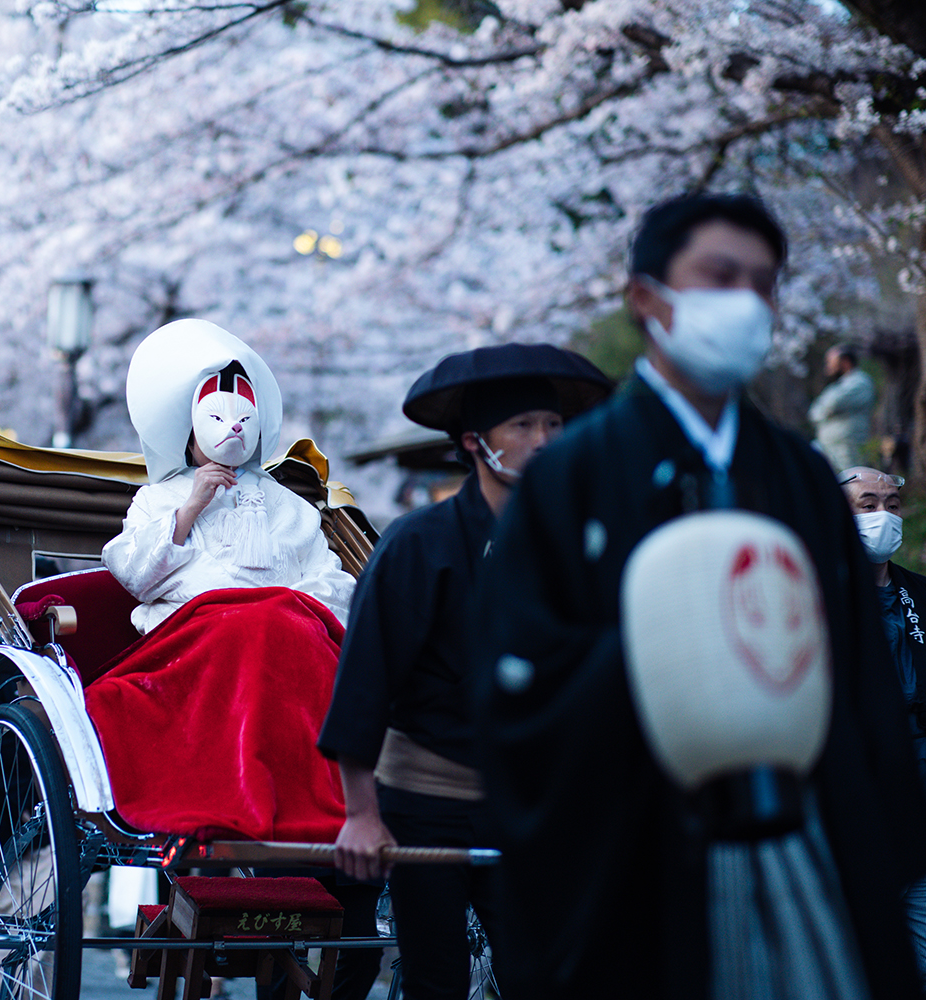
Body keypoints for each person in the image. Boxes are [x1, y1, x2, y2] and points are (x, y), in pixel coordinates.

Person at [472, 191, 926, 998]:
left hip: (799, 830)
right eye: (720, 276)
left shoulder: (798, 476)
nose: (746, 302)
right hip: (632, 838)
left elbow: (858, 678)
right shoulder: (573, 476)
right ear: (647, 297)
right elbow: (518, 677)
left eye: (763, 283)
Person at [319, 343, 611, 1000]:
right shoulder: (419, 543)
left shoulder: (579, 542)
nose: (544, 441)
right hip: (427, 798)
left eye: (554, 426)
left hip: (531, 799)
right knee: (437, 976)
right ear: (477, 442)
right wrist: (362, 813)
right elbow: (366, 681)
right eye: (524, 427)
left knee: (545, 973)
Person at [86, 318, 356, 844]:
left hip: (285, 636)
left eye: (242, 419)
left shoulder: (285, 503)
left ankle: (317, 803)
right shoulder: (159, 499)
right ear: (189, 431)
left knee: (283, 628)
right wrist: (190, 508)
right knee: (251, 628)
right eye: (215, 418)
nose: (231, 429)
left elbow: (330, 580)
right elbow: (135, 575)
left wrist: (292, 609)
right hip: (193, 642)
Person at [838, 466, 926, 982]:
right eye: (867, 505)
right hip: (862, 801)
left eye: (892, 505)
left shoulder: (919, 593)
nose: (883, 517)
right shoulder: (820, 597)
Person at [809, 343, 875, 471]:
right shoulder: (838, 386)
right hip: (826, 447)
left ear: (845, 361)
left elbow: (833, 403)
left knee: (851, 484)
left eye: (830, 361)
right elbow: (814, 412)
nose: (827, 365)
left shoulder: (861, 382)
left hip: (846, 450)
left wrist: (825, 408)